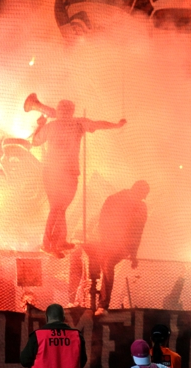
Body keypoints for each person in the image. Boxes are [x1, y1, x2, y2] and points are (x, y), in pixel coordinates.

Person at [32, 99, 126, 257]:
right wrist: (41, 125)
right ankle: (47, 244)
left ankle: (60, 241)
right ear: (60, 110)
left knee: (61, 208)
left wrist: (116, 125)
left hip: (69, 172)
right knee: (57, 207)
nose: (64, 112)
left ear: (71, 111)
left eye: (66, 110)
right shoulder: (56, 126)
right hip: (54, 172)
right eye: (62, 109)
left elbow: (98, 124)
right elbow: (35, 142)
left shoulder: (76, 124)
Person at [93, 180, 150, 316]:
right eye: (143, 194)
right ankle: (100, 303)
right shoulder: (115, 199)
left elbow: (138, 231)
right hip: (109, 242)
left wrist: (133, 253)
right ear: (137, 190)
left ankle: (102, 305)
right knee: (103, 267)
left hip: (120, 245)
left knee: (107, 265)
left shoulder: (138, 206)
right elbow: (103, 221)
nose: (143, 198)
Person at [20, 303, 87, 368]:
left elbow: (25, 361)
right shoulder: (77, 336)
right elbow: (82, 362)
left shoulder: (38, 335)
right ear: (64, 318)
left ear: (47, 318)